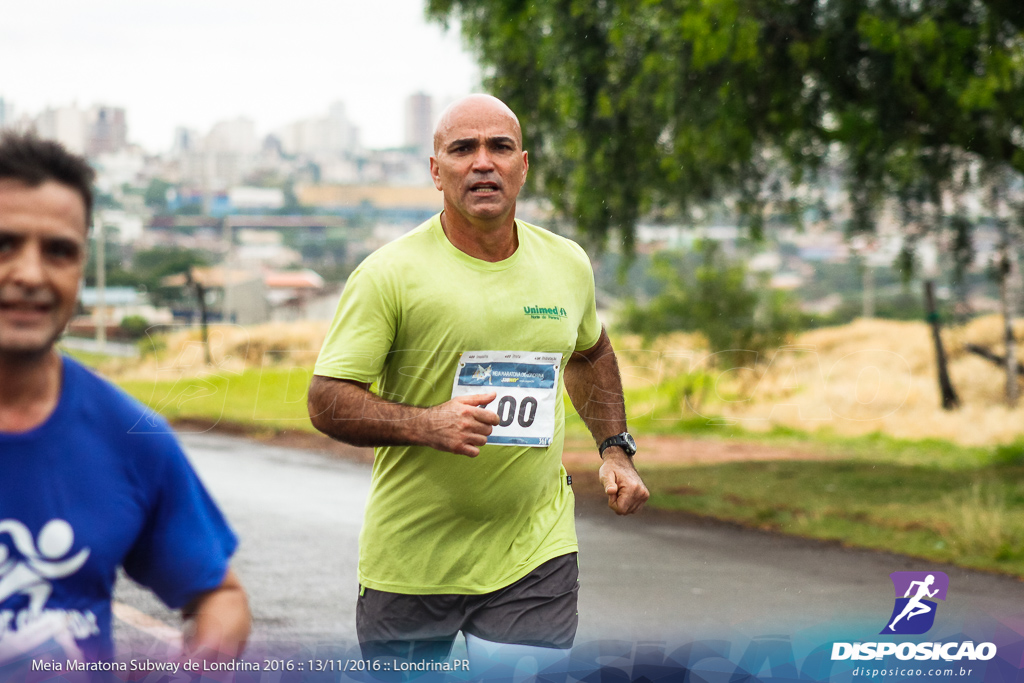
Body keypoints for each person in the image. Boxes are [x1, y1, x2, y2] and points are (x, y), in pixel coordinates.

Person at [308, 94, 649, 663]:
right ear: (436, 172)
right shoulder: (389, 274)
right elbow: (327, 401)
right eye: (463, 149)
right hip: (413, 561)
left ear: (523, 165)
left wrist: (614, 450)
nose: (483, 162)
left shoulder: (566, 264)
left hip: (534, 552)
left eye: (500, 147)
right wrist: (428, 424)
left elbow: (590, 354)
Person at [0, 132, 250, 665]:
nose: (29, 274)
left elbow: (219, 597)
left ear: (82, 268)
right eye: (4, 244)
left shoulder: (129, 438)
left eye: (59, 251)